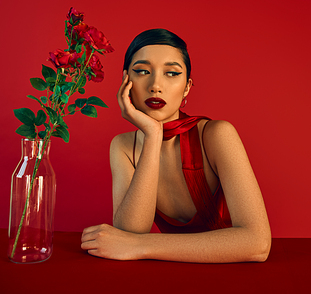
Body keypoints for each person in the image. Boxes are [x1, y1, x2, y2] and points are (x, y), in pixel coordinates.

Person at [81, 29, 271, 263]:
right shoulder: (122, 146)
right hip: (172, 278)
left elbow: (257, 244)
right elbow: (129, 234)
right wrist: (152, 134)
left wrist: (141, 245)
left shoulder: (216, 135)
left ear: (187, 87)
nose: (155, 85)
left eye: (171, 73)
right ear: (125, 81)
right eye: (142, 71)